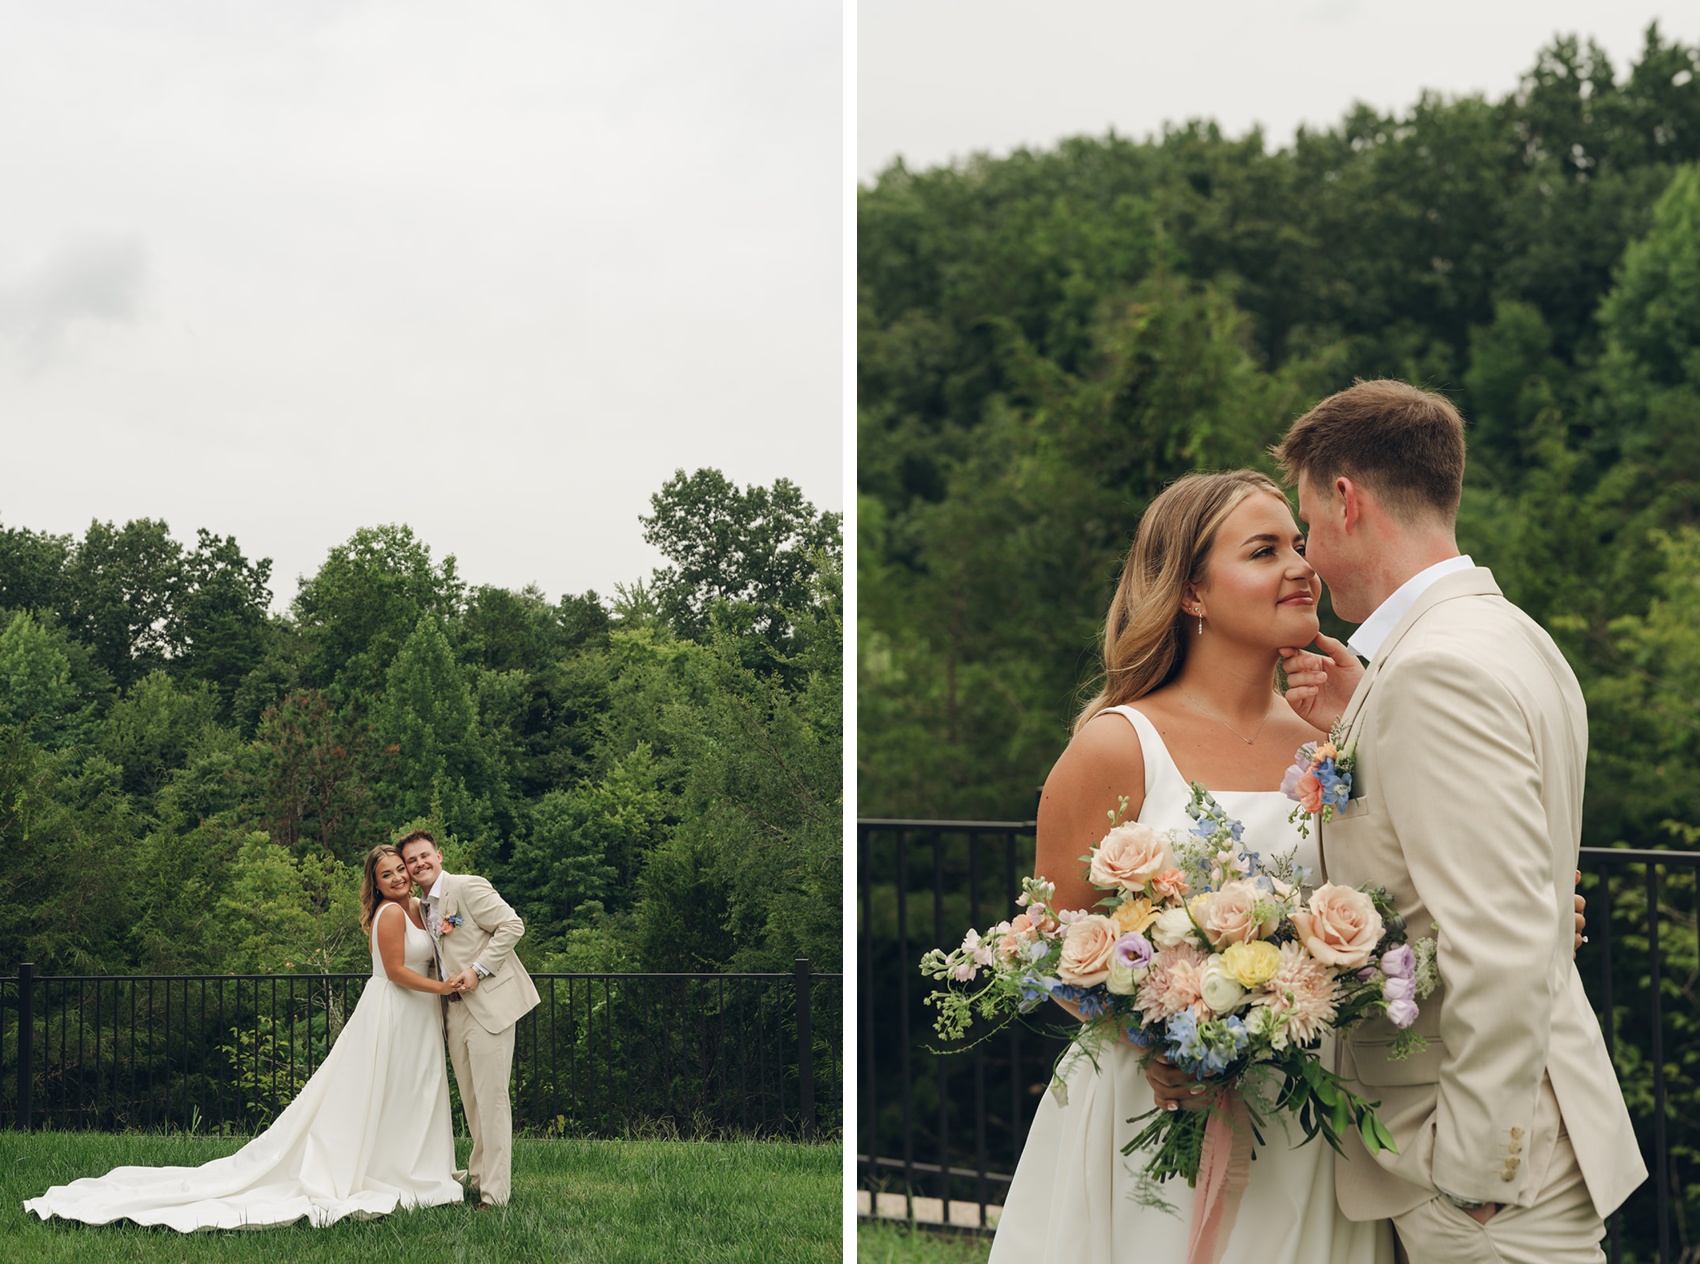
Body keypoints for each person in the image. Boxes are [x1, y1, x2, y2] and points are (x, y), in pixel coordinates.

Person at [1254, 379, 1644, 1264]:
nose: (1309, 553)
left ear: (1346, 501)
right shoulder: (1507, 636)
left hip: (1489, 1177)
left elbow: (1501, 938)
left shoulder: (1434, 674)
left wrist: (1473, 1171)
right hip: (1504, 1149)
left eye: (1307, 521)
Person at [988, 469, 1393, 1264]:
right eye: (1263, 550)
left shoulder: (1338, 739)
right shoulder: (1115, 744)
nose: (1301, 565)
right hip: (1154, 1110)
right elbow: (1048, 943)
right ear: (1193, 594)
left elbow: (1401, 887)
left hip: (1310, 1112)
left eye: (1299, 544)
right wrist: (1158, 1040)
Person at [24, 845, 467, 1230]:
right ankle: (387, 1171)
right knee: (384, 1091)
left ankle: (413, 1167)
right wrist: (444, 988)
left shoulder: (418, 908)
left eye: (399, 870)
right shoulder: (390, 913)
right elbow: (395, 972)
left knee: (411, 1093)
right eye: (385, 874)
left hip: (418, 1017)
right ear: (375, 883)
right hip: (393, 1011)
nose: (396, 877)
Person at [397, 829, 539, 1210]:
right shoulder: (421, 907)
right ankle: (479, 1179)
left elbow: (512, 925)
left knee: (492, 1102)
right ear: (407, 870)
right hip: (453, 1011)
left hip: (487, 1005)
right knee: (472, 1102)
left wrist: (479, 969)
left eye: (424, 855)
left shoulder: (467, 887)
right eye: (411, 861)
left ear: (439, 856)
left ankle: (496, 1195)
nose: (419, 863)